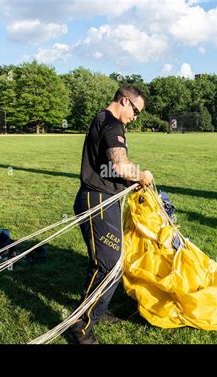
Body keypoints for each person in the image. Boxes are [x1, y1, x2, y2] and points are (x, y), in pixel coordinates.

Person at [70, 85, 154, 344]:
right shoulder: (111, 123)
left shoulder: (103, 119)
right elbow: (120, 165)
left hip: (102, 198)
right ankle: (80, 327)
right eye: (136, 111)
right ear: (125, 101)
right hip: (97, 200)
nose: (135, 117)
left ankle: (98, 310)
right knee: (108, 266)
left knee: (111, 262)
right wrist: (142, 175)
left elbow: (109, 167)